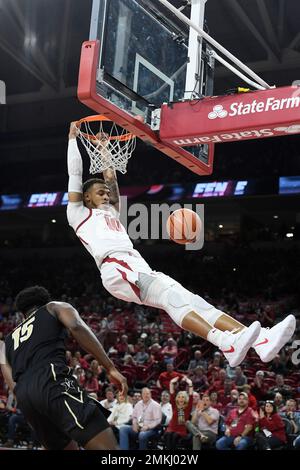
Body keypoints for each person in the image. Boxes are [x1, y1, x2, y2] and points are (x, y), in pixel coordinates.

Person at [66, 122, 296, 367]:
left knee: (195, 301)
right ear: (87, 196)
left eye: (105, 192)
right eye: (99, 192)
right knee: (170, 297)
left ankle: (261, 340)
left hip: (137, 265)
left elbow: (110, 179)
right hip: (116, 269)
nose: (105, 194)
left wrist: (103, 149)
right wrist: (72, 141)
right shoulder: (78, 213)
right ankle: (224, 342)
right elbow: (76, 175)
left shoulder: (111, 211)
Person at [2, 285, 128, 450]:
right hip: (51, 380)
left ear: (21, 314)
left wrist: (30, 404)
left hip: (26, 397)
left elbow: (10, 379)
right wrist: (110, 368)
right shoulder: (53, 306)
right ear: (44, 302)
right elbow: (76, 326)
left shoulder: (8, 340)